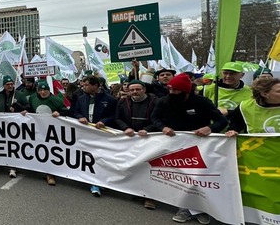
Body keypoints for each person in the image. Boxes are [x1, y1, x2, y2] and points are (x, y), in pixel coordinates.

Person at [151, 74, 227, 224]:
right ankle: (185, 208)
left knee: (199, 178)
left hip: (200, 146)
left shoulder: (202, 102)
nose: (172, 93)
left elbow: (222, 121)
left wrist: (209, 128)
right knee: (181, 178)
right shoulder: (163, 101)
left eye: (176, 91)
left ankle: (202, 208)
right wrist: (163, 127)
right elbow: (154, 118)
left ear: (186, 91)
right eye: (170, 90)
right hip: (174, 145)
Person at [114, 80, 159, 209]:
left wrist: (148, 129)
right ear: (128, 91)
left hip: (149, 139)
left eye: (138, 89)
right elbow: (117, 118)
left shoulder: (155, 101)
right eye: (132, 90)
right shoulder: (123, 102)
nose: (135, 92)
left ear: (144, 90)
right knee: (134, 166)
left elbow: (158, 119)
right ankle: (137, 191)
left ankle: (150, 197)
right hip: (130, 139)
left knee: (148, 168)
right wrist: (125, 128)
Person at [71, 75, 117, 197]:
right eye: (83, 85)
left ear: (95, 85)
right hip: (86, 133)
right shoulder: (81, 98)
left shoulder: (110, 99)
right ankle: (92, 181)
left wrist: (104, 121)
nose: (83, 87)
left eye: (86, 85)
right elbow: (75, 111)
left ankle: (102, 180)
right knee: (88, 157)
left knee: (101, 157)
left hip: (102, 133)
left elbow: (115, 115)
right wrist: (79, 117)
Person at [0, 76, 29, 177]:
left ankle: (13, 167)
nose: (10, 86)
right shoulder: (0, 95)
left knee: (14, 145)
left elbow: (27, 107)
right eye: (7, 84)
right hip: (3, 124)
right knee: (5, 145)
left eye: (11, 84)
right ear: (4, 86)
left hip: (15, 124)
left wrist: (17, 107)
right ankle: (5, 163)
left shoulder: (19, 94)